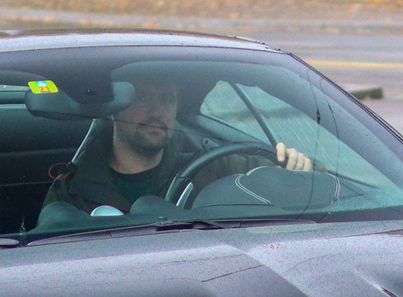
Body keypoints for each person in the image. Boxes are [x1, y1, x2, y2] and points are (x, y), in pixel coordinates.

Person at [44, 74, 312, 217]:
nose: (156, 110)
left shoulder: (214, 164)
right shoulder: (71, 190)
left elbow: (291, 177)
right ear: (115, 109)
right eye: (142, 98)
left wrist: (296, 167)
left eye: (166, 99)